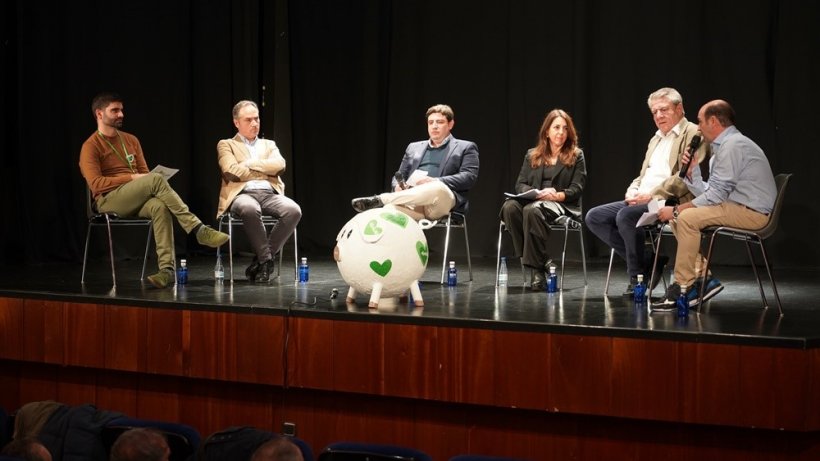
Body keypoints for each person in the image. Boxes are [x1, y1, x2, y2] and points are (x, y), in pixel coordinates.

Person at [79, 92, 230, 288]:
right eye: (114, 110)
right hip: (108, 200)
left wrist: (142, 179)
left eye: (121, 110)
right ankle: (198, 229)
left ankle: (166, 270)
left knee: (160, 206)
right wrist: (133, 178)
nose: (121, 114)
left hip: (135, 195)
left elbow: (144, 173)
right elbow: (96, 184)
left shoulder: (130, 140)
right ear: (99, 114)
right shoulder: (90, 146)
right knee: (155, 180)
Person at [651, 99, 776, 309]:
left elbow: (716, 196)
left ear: (713, 121)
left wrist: (675, 209)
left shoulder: (734, 145)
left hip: (752, 213)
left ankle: (683, 287)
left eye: (700, 121)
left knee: (684, 216)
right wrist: (693, 173)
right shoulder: (724, 147)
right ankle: (703, 279)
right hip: (735, 206)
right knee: (678, 218)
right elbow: (712, 192)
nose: (698, 127)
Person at [585, 87, 708, 297]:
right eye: (654, 112)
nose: (658, 116)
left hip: (669, 200)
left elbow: (684, 178)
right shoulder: (656, 139)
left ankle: (637, 276)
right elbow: (643, 175)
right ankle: (650, 260)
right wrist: (632, 190)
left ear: (680, 108)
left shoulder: (694, 133)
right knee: (594, 217)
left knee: (625, 217)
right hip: (643, 198)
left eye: (664, 109)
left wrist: (652, 195)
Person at [500, 109, 586, 290]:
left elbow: (577, 188)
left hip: (562, 204)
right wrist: (537, 192)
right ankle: (542, 262)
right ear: (547, 131)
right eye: (556, 127)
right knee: (510, 207)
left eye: (565, 128)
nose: (561, 132)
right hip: (537, 200)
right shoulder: (532, 154)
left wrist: (556, 194)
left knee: (531, 210)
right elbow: (520, 184)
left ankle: (536, 271)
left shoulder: (576, 155)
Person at [217, 100, 302, 283]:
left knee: (293, 210)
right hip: (242, 194)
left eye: (256, 119)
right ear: (236, 122)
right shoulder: (226, 144)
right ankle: (266, 260)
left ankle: (263, 260)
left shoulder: (269, 144)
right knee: (249, 208)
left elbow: (280, 165)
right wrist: (264, 169)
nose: (254, 123)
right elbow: (231, 171)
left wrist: (249, 164)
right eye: (249, 120)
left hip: (269, 193)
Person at [351, 104, 479, 221]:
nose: (434, 126)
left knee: (437, 187)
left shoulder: (465, 147)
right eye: (430, 122)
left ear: (450, 124)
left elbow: (469, 177)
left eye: (439, 122)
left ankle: (380, 199)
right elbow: (399, 175)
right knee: (388, 212)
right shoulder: (413, 147)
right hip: (415, 205)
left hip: (441, 203)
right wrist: (398, 186)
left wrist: (435, 180)